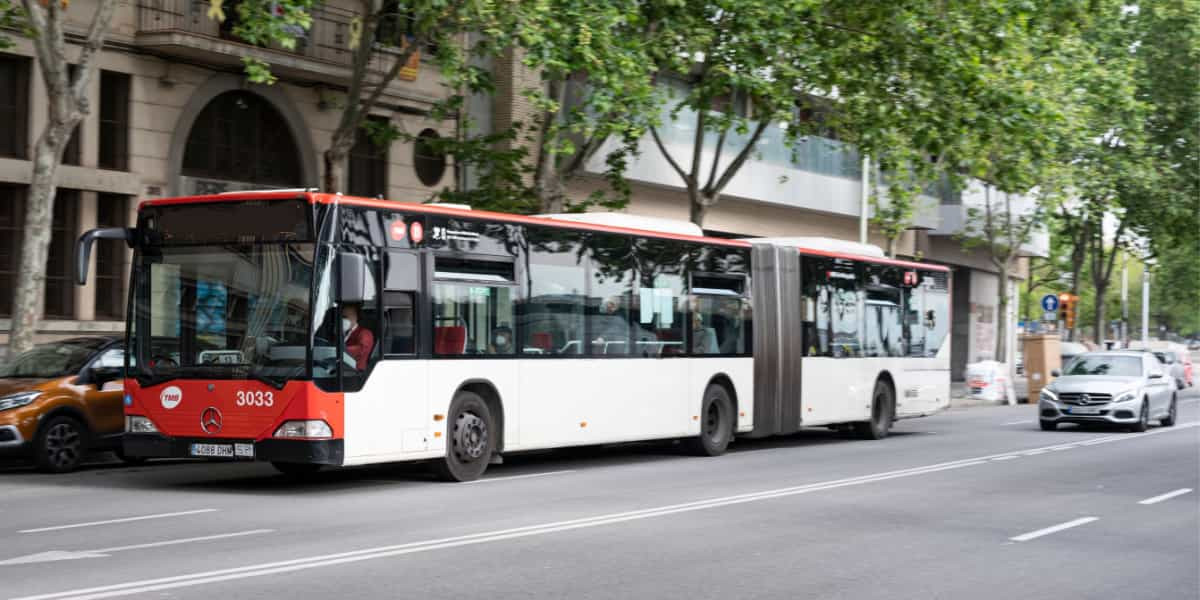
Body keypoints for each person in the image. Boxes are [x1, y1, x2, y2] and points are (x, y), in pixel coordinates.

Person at [342, 303, 375, 371]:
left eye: (345, 317)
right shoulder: (342, 333)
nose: (343, 320)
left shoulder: (365, 333)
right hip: (342, 370)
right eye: (342, 317)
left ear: (356, 317)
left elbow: (361, 349)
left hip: (356, 372)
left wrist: (340, 351)